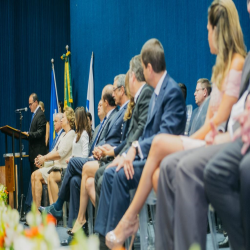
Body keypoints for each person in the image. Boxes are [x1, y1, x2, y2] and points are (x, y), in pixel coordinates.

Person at [153, 1, 246, 249]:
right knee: (162, 168)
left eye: (208, 29)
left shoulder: (238, 64)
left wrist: (193, 142)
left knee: (168, 155)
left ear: (219, 30)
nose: (206, 33)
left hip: (224, 139)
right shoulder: (221, 68)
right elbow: (211, 122)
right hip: (213, 138)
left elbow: (219, 122)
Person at [99, 38, 186, 249]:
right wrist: (133, 153)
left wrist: (135, 150)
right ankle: (105, 238)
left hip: (163, 162)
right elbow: (148, 135)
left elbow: (164, 137)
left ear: (148, 68)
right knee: (112, 172)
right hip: (148, 158)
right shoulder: (157, 92)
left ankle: (116, 238)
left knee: (117, 174)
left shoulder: (171, 92)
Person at [68, 55, 153, 238]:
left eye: (115, 90)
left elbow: (137, 136)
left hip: (135, 158)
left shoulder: (143, 97)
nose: (113, 94)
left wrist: (114, 152)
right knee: (88, 180)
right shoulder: (133, 103)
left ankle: (108, 230)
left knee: (93, 172)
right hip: (121, 154)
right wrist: (112, 151)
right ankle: (107, 230)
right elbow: (131, 137)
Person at [39, 83, 126, 228]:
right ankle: (76, 227)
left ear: (105, 102)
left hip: (103, 159)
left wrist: (101, 151)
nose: (98, 106)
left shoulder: (115, 117)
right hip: (97, 158)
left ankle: (59, 207)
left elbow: (112, 142)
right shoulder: (101, 124)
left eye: (100, 103)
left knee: (72, 164)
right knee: (74, 181)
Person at [31, 107, 76, 209]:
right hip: (54, 167)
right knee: (34, 175)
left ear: (68, 120)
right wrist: (42, 161)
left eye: (63, 117)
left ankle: (53, 212)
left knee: (37, 175)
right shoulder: (63, 134)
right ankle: (36, 213)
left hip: (62, 169)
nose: (61, 120)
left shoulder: (71, 134)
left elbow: (60, 153)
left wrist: (44, 158)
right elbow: (54, 151)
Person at [47, 107, 92, 205]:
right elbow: (74, 154)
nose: (74, 120)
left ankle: (58, 204)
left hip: (76, 167)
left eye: (75, 118)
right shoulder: (76, 134)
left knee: (53, 176)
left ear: (79, 119)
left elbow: (85, 156)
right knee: (52, 176)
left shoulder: (84, 134)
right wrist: (72, 158)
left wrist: (72, 159)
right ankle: (54, 209)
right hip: (73, 166)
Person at [24, 93, 47, 173]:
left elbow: (40, 133)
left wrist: (29, 134)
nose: (29, 106)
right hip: (33, 154)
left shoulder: (40, 115)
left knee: (37, 179)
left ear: (36, 102)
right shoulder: (35, 115)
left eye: (30, 104)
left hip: (38, 154)